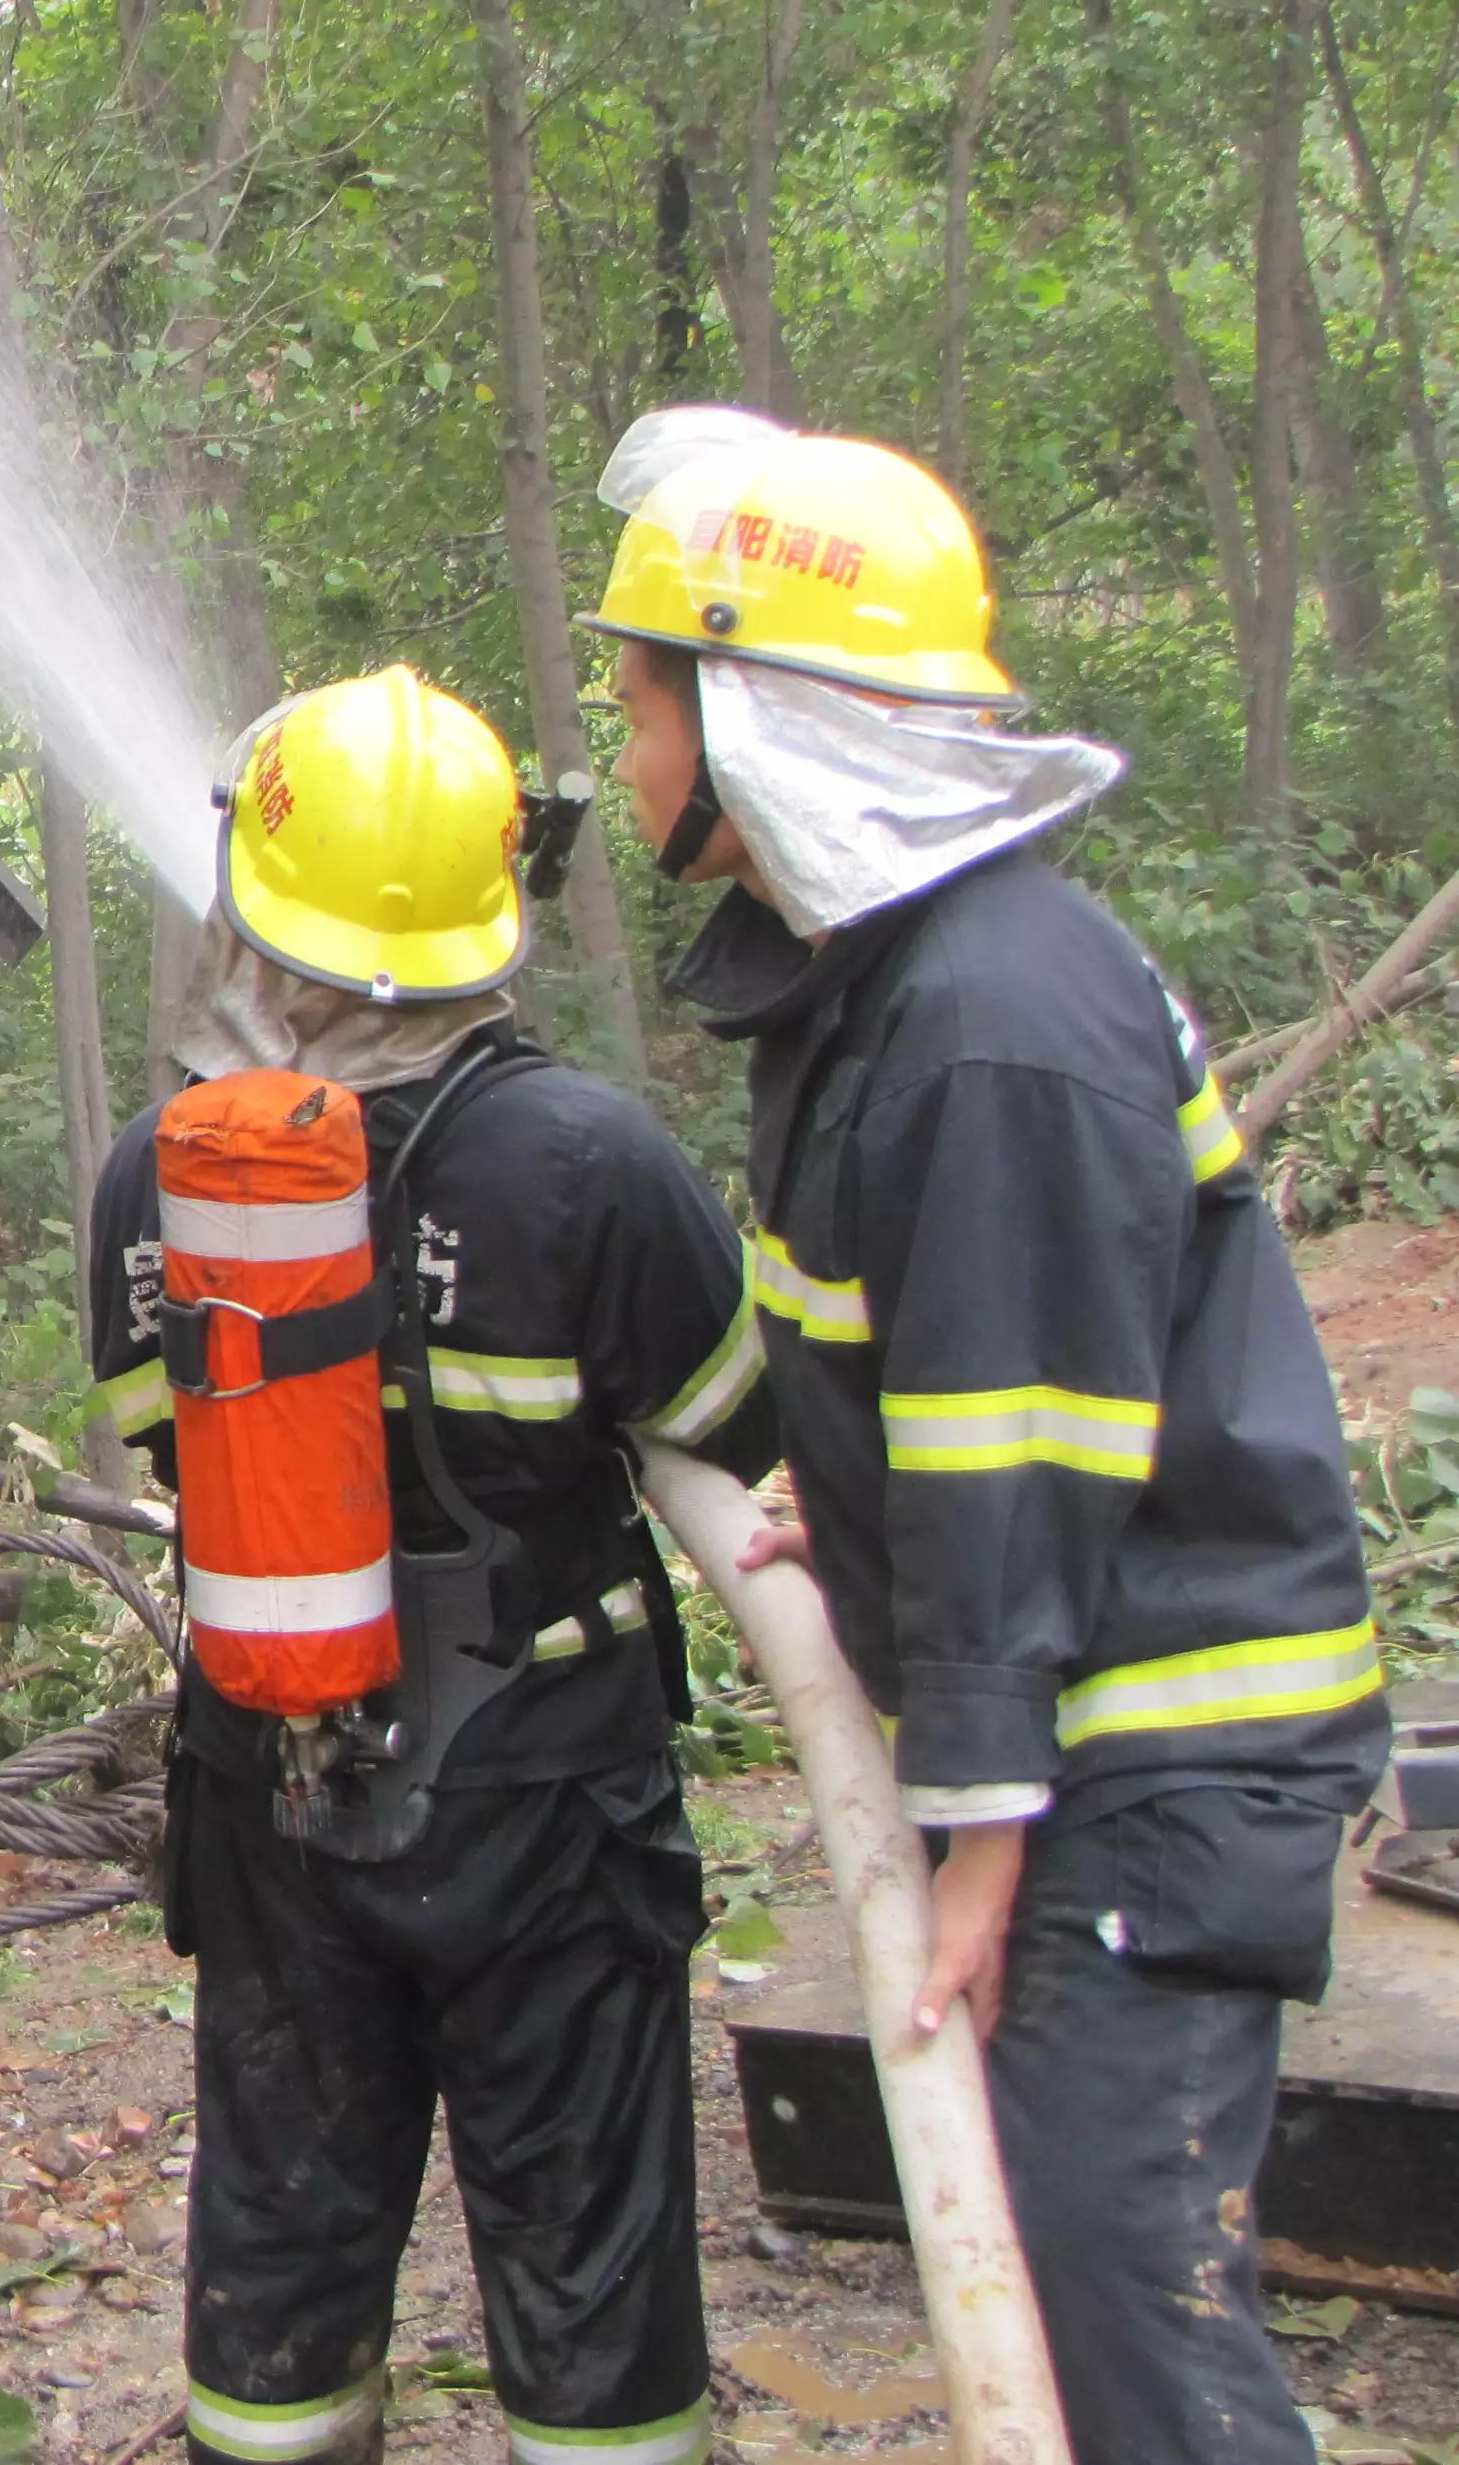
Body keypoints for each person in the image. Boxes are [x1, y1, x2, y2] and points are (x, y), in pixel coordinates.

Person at [585, 408, 1389, 2465]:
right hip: (1095, 1731)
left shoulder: (981, 1018)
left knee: (1118, 2293)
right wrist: (821, 1508)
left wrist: (977, 1823)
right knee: (1072, 2254)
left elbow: (1008, 1439)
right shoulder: (884, 983)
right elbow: (915, 1361)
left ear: (760, 711)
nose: (612, 738)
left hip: (1152, 1750)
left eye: (640, 687)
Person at [87, 665, 773, 2465]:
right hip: (545, 1796)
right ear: (499, 899)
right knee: (588, 2253)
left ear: (253, 889)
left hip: (273, 1782)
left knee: (281, 2248)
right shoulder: (596, 1166)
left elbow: (188, 1457)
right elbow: (746, 1446)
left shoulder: (150, 1179)